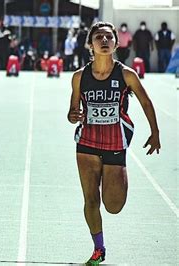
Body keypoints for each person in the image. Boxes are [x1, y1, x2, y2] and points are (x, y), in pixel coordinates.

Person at [67, 22, 160, 264]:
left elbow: (146, 103)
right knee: (90, 199)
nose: (105, 41)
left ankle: (111, 186)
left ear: (116, 44)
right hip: (86, 144)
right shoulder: (79, 77)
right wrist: (73, 116)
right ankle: (99, 249)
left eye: (109, 37)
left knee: (113, 205)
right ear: (91, 44)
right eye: (99, 37)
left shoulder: (127, 74)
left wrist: (155, 132)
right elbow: (72, 112)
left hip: (115, 144)